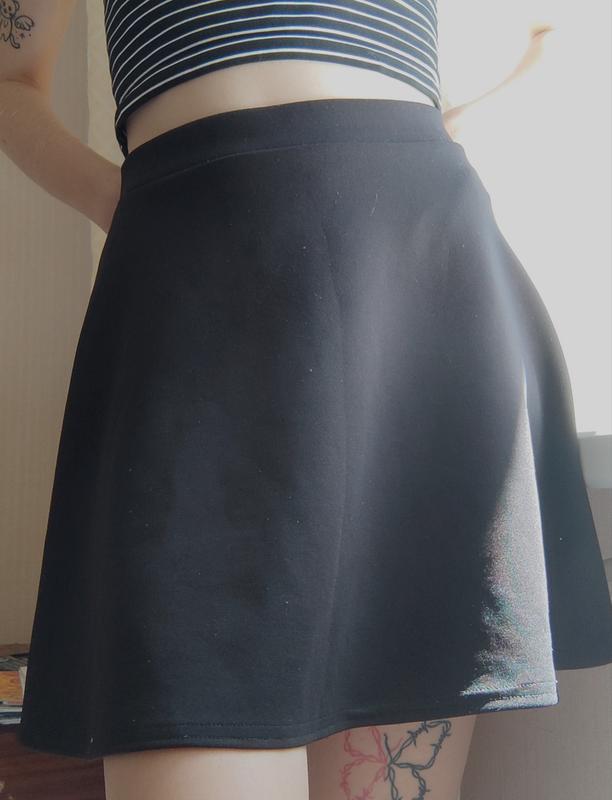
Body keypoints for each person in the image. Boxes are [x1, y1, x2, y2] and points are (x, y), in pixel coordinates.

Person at [2, 3, 611, 800]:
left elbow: (557, 33)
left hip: (416, 307)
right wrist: (124, 202)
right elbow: (11, 81)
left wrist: (431, 153)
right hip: (190, 297)